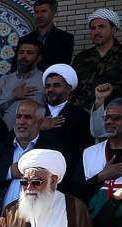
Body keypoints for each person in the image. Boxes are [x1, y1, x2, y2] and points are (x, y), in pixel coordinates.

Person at [38, 64, 93, 194]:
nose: (51, 90)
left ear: (69, 89)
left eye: (56, 86)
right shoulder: (35, 113)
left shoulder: (81, 116)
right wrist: (38, 127)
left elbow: (83, 152)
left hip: (66, 182)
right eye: (48, 86)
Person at [72, 9, 122, 110]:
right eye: (93, 28)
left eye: (101, 27)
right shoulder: (81, 58)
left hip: (119, 114)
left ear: (113, 29)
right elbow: (73, 88)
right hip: (85, 115)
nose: (96, 31)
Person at [0, 100, 47, 210]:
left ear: (40, 122)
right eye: (18, 117)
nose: (21, 122)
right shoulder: (1, 147)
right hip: (0, 219)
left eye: (27, 117)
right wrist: (9, 172)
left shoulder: (48, 149)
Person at [0, 36, 46, 127]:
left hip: (35, 135)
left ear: (39, 58)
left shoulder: (45, 80)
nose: (24, 56)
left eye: (29, 53)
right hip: (5, 135)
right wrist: (12, 95)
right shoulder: (5, 80)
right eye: (21, 52)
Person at [29, 0, 75, 68]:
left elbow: (63, 66)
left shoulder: (65, 38)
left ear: (53, 13)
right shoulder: (25, 39)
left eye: (43, 11)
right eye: (37, 12)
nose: (39, 15)